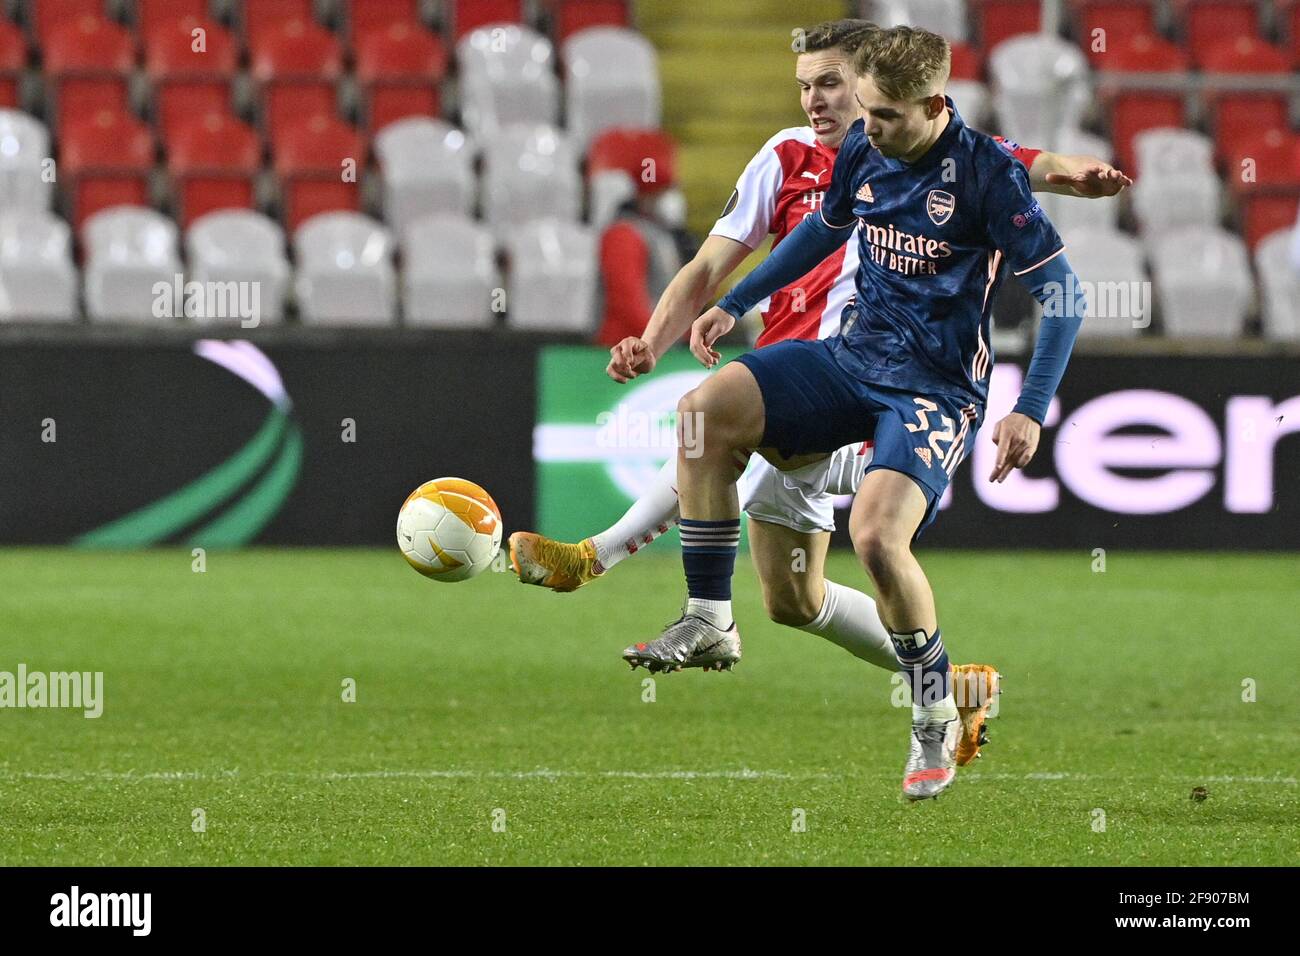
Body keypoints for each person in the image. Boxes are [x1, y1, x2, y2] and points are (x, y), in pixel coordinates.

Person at [510, 19, 1128, 771]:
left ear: (928, 103)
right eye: (811, 88)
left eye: (832, 85)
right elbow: (798, 238)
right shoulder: (828, 150)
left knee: (863, 528)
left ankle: (601, 560)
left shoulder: (979, 168)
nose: (826, 106)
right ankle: (949, 682)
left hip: (921, 394)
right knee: (791, 595)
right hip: (829, 371)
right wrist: (731, 305)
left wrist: (1029, 404)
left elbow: (1042, 214)